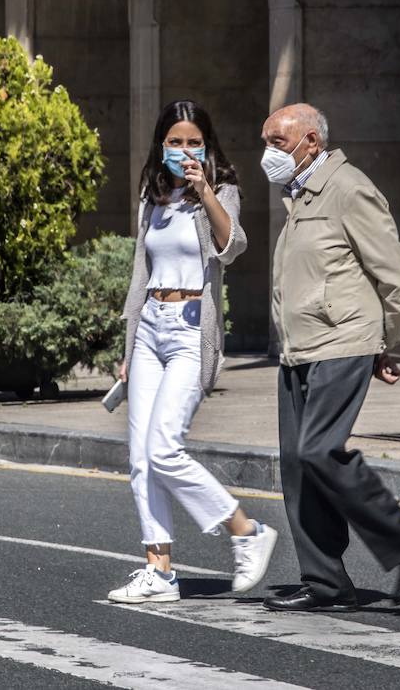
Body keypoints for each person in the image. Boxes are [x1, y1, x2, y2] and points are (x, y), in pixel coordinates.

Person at [260, 102, 400, 612]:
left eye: (278, 142)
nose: (269, 154)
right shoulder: (297, 195)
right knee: (298, 466)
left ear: (312, 142)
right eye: (267, 141)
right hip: (301, 348)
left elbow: (395, 274)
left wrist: (385, 340)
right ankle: (326, 583)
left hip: (343, 340)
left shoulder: (348, 188)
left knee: (319, 450)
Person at [108, 100, 279, 604]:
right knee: (140, 458)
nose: (184, 151)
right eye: (175, 142)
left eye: (193, 142)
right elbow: (141, 273)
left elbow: (234, 246)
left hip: (189, 330)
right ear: (161, 144)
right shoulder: (152, 194)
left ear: (207, 144)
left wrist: (204, 190)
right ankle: (158, 570)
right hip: (148, 331)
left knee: (164, 447)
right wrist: (127, 345)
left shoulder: (220, 190)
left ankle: (245, 530)